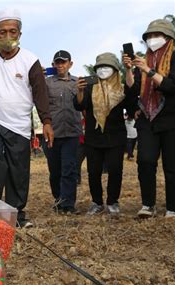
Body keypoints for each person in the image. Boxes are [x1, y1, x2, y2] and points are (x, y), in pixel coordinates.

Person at [0, 8, 54, 228]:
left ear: (20, 34)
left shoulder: (30, 60)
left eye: (12, 32)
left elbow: (40, 94)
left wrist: (47, 121)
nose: (7, 37)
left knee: (18, 170)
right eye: (2, 32)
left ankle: (16, 214)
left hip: (19, 124)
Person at [123, 19, 175, 218]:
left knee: (172, 166)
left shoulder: (174, 57)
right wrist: (129, 69)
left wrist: (148, 70)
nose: (152, 39)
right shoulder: (143, 62)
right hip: (147, 118)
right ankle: (148, 204)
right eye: (149, 36)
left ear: (168, 38)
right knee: (145, 161)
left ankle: (173, 206)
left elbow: (171, 86)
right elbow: (132, 90)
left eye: (157, 35)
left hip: (171, 117)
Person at [74, 53, 137, 216]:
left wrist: (129, 70)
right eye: (100, 67)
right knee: (93, 171)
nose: (103, 70)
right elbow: (80, 106)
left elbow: (131, 104)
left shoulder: (121, 88)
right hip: (93, 137)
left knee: (115, 170)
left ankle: (112, 202)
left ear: (115, 70)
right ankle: (97, 202)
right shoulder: (90, 87)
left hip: (115, 137)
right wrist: (80, 91)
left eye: (107, 67)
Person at [44, 50, 82, 214]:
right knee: (55, 170)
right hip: (53, 133)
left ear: (70, 64)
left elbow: (83, 105)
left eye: (63, 62)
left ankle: (68, 204)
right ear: (53, 65)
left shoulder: (78, 82)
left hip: (72, 132)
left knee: (69, 169)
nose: (60, 65)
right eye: (57, 62)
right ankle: (58, 198)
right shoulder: (46, 83)